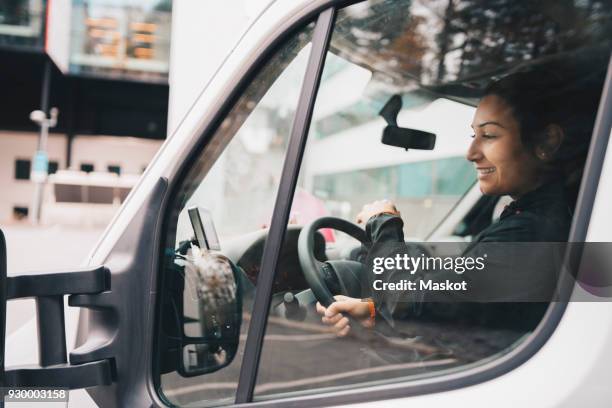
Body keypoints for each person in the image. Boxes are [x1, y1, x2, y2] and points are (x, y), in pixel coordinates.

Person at [316, 69, 602, 337]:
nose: (471, 152)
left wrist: (383, 224)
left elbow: (406, 298)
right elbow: (463, 304)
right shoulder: (542, 217)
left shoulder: (532, 232)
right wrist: (373, 311)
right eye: (473, 135)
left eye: (488, 135)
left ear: (547, 142)